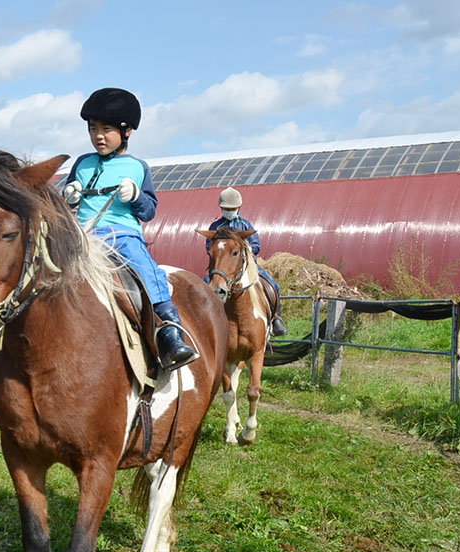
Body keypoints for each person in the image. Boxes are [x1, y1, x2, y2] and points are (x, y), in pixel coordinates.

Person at [62, 87, 196, 372]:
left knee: (148, 273)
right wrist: (69, 194)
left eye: (106, 129)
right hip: (83, 237)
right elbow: (67, 203)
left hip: (122, 236)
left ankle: (171, 333)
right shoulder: (81, 164)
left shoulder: (137, 167)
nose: (98, 135)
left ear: (127, 132)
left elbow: (149, 211)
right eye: (93, 128)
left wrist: (136, 195)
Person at [206, 187, 289, 336]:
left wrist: (250, 249)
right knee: (204, 286)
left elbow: (256, 244)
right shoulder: (215, 227)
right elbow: (209, 245)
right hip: (221, 267)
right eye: (226, 208)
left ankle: (276, 319)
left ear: (239, 208)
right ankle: (202, 321)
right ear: (221, 208)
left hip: (246, 265)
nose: (229, 211)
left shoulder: (245, 225)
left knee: (273, 285)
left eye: (232, 208)